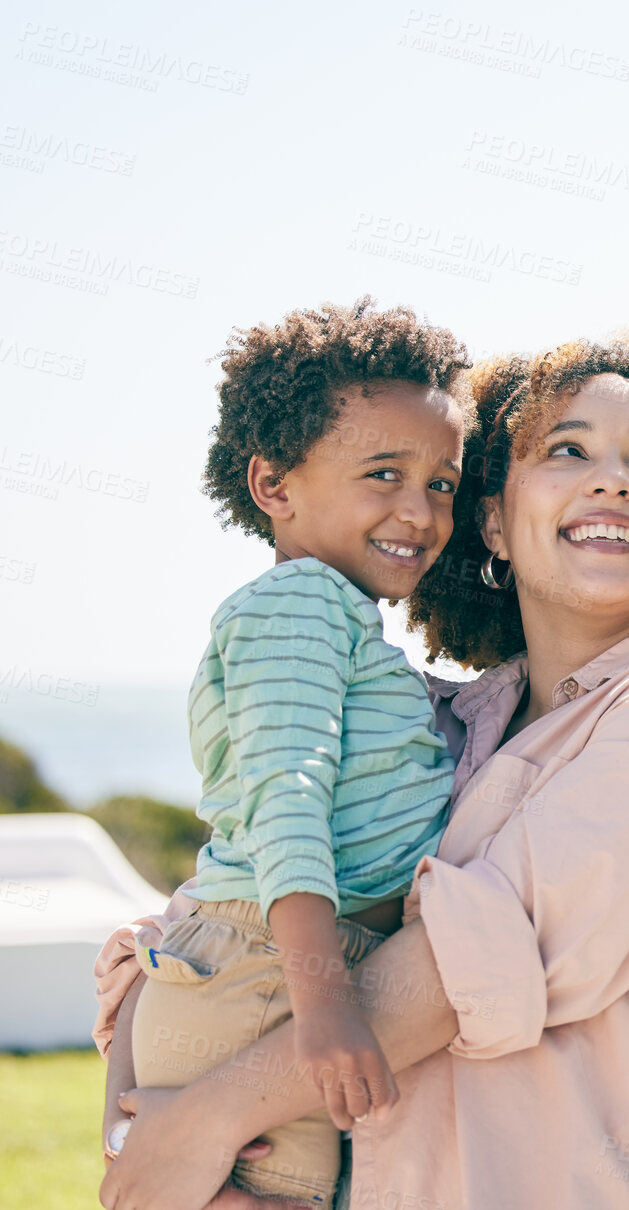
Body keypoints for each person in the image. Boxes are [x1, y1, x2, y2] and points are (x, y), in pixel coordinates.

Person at [96, 333, 629, 1210]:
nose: (614, 480)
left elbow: (463, 964)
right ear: (495, 523)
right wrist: (139, 1133)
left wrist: (199, 1124)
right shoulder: (430, 726)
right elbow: (202, 918)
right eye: (568, 449)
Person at [106, 298, 471, 1204]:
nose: (419, 510)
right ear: (274, 485)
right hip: (275, 975)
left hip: (294, 967)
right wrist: (325, 1003)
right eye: (383, 473)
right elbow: (286, 800)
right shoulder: (300, 604)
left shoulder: (338, 620)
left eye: (442, 483)